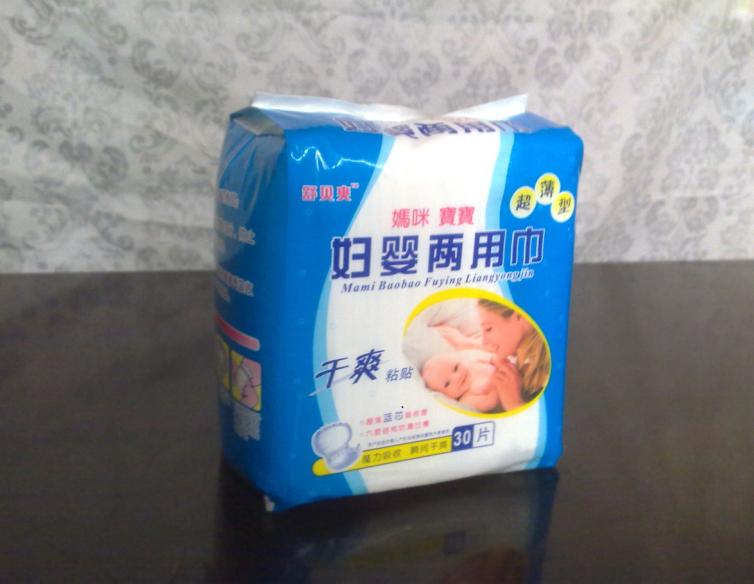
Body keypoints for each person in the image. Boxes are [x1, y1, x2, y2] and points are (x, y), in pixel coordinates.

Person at [421, 349, 524, 413]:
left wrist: (501, 365)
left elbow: (493, 358)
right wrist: (500, 382)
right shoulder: (467, 400)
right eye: (447, 383)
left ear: (460, 360)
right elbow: (492, 401)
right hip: (515, 395)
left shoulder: (474, 362)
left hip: (515, 372)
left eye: (456, 368)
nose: (457, 377)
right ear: (444, 395)